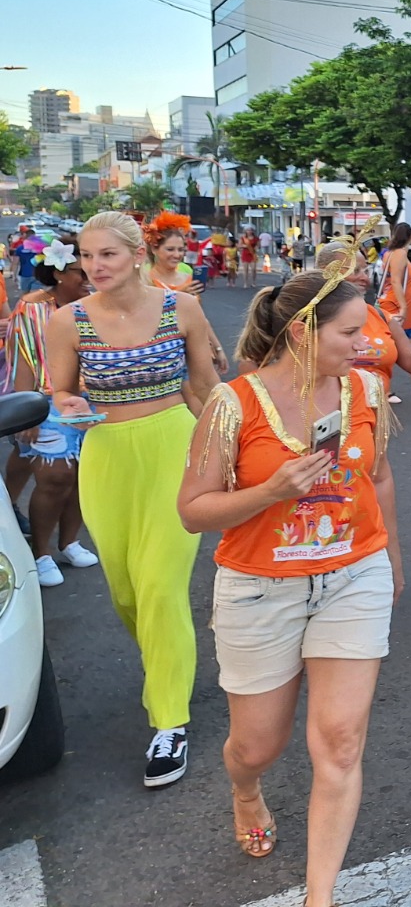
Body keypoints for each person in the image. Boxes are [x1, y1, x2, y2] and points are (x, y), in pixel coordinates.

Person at [177, 269, 400, 905]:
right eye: (351, 332)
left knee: (339, 740)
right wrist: (272, 491)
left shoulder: (367, 391)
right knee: (256, 746)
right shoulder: (234, 404)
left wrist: (394, 560)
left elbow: (376, 475)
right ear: (303, 332)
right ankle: (245, 791)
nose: (365, 343)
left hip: (354, 577)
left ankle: (318, 895)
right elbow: (193, 509)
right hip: (259, 588)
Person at [47, 210, 220, 785]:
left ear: (136, 255)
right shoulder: (68, 320)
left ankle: (169, 721)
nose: (94, 266)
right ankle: (164, 666)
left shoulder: (181, 308)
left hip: (173, 446)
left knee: (160, 586)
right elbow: (61, 389)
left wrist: (232, 452)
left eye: (107, 255)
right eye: (86, 256)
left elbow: (203, 388)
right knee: (124, 589)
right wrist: (66, 404)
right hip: (106, 458)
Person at [8, 235, 99, 586]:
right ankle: (41, 552)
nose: (89, 274)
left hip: (93, 402)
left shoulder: (96, 305)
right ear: (60, 273)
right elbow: (23, 361)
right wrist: (25, 411)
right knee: (54, 476)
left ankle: (69, 541)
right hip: (44, 401)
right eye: (81, 268)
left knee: (83, 476)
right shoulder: (32, 308)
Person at [312, 240, 411, 414]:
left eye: (365, 270)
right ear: (327, 272)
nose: (365, 278)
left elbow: (410, 357)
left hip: (371, 420)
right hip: (324, 419)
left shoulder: (380, 316)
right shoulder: (307, 319)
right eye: (355, 271)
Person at [376, 223, 411, 402]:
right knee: (393, 346)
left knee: (409, 346)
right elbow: (396, 282)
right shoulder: (399, 254)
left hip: (404, 306)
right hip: (397, 305)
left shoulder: (392, 253)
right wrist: (403, 307)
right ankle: (386, 389)